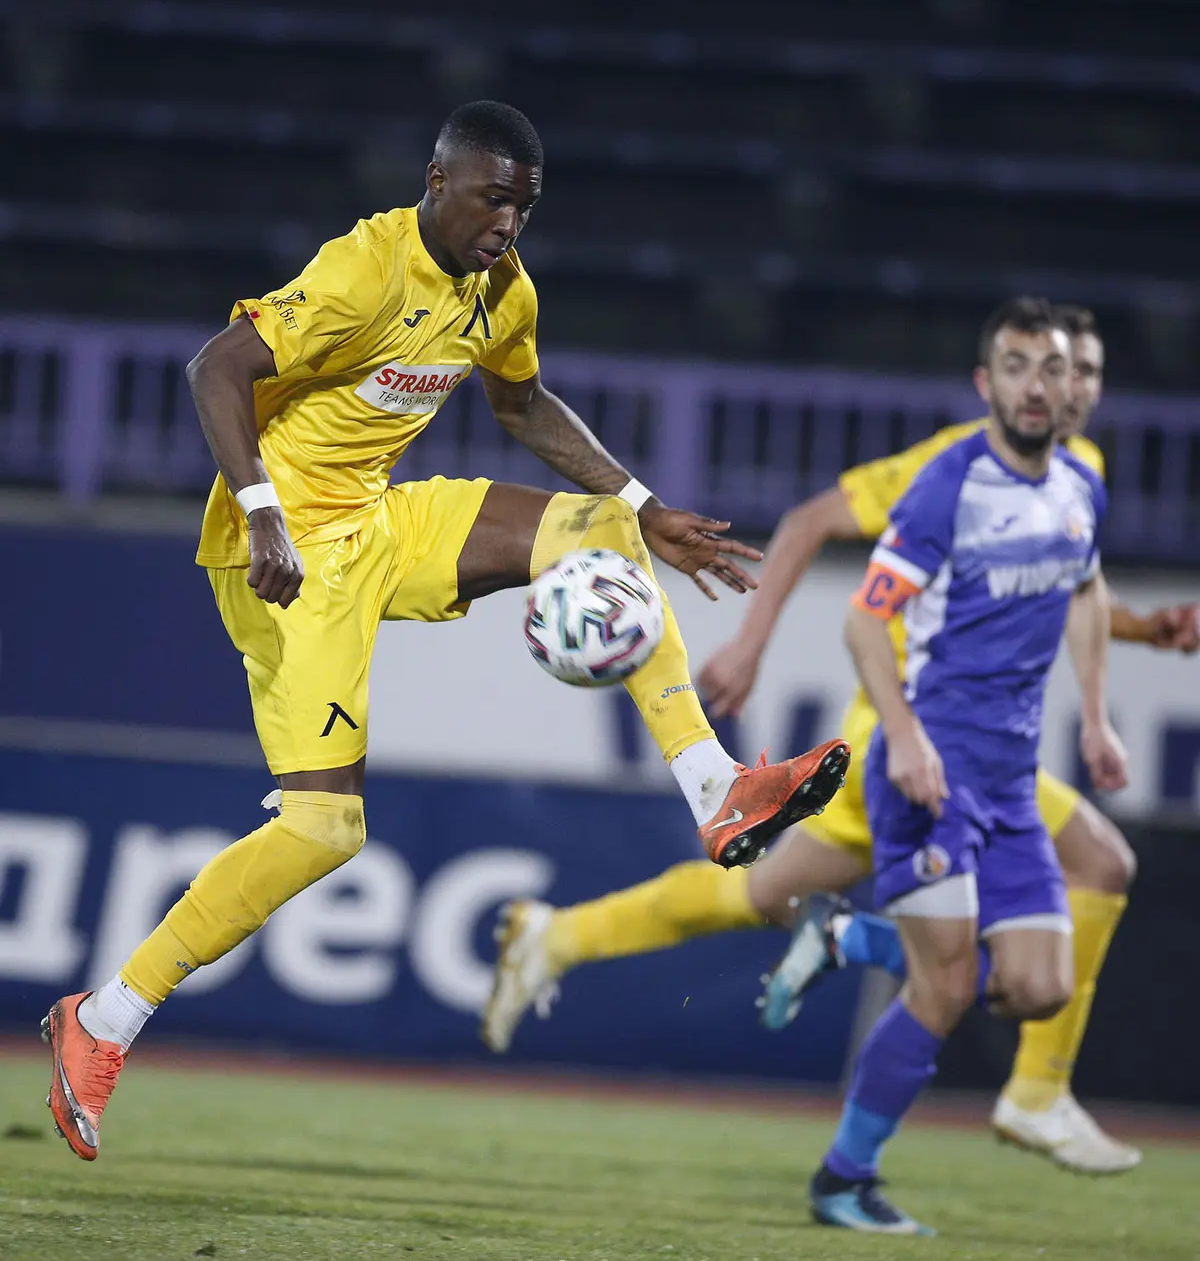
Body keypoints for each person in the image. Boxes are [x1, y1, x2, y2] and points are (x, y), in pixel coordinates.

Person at [40, 100, 849, 1162]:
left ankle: (715, 786)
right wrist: (264, 509)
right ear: (437, 181)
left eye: (525, 207)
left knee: (599, 529)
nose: (508, 223)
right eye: (492, 199)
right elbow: (215, 369)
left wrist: (645, 505)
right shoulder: (362, 271)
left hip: (378, 521)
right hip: (283, 555)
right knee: (324, 831)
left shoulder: (502, 289)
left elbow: (522, 405)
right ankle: (103, 1018)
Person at [482, 303, 1198, 1175]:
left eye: (1083, 372)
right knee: (1096, 867)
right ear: (1000, 380)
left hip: (968, 748)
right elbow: (811, 520)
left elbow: (1054, 582)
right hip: (915, 736)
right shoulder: (952, 466)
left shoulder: (1079, 470)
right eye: (1051, 368)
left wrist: (1142, 631)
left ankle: (557, 936)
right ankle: (1032, 1087)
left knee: (755, 894)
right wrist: (750, 644)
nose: (1067, 387)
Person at [807, 295, 1123, 1234]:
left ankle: (858, 938)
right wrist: (903, 736)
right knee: (944, 988)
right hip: (930, 775)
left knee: (1042, 988)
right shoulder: (947, 488)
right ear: (987, 383)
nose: (1036, 385)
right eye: (1016, 367)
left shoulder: (1081, 487)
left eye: (1053, 367)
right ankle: (843, 1180)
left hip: (1013, 784)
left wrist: (1097, 719)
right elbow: (865, 620)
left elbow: (1088, 593)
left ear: (1074, 385)